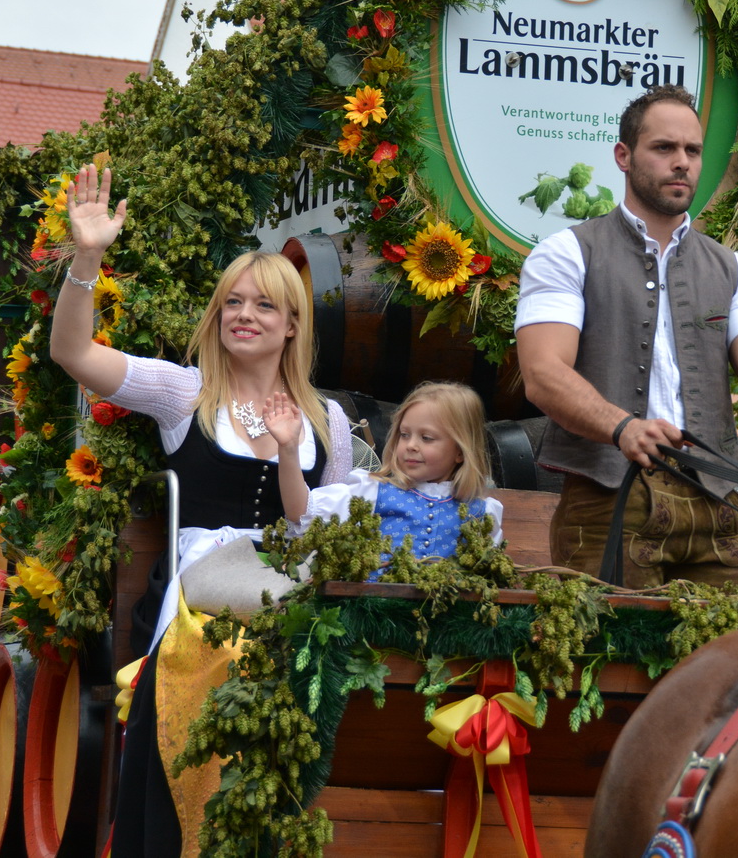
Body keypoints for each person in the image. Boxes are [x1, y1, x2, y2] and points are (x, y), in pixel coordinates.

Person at [49, 162, 355, 858]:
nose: (244, 315)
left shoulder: (328, 422)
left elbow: (327, 529)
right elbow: (71, 351)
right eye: (232, 303)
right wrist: (87, 258)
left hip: (283, 608)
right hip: (197, 613)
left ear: (292, 326)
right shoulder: (184, 393)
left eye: (263, 306)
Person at [515, 86, 738, 587]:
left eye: (692, 150)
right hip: (606, 496)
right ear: (623, 156)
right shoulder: (566, 253)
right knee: (612, 659)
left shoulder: (735, 270)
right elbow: (542, 373)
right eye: (664, 148)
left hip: (716, 498)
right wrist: (622, 427)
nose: (681, 162)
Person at [289, 380, 504, 566]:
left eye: (426, 438)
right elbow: (301, 511)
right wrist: (288, 449)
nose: (411, 445)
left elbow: (488, 573)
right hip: (377, 608)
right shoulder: (373, 493)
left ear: (460, 450)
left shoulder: (480, 513)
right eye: (404, 434)